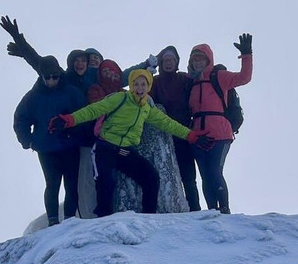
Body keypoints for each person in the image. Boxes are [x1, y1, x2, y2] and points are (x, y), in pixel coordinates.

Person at [50, 69, 213, 217]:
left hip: (125, 151)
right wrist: (69, 120)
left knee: (151, 177)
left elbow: (168, 123)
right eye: (136, 84)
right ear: (131, 85)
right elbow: (94, 110)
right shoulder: (120, 98)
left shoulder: (147, 109)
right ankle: (104, 219)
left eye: (143, 84)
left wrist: (191, 136)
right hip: (105, 147)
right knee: (105, 182)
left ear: (148, 86)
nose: (139, 88)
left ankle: (148, 217)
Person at [13, 56, 86, 227]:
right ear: (42, 77)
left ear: (60, 74)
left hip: (69, 146)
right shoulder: (33, 96)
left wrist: (75, 133)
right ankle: (52, 221)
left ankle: (70, 220)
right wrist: (28, 141)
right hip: (46, 148)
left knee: (71, 183)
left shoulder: (72, 92)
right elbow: (20, 120)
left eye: (55, 76)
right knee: (52, 185)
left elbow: (84, 115)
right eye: (48, 77)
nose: (52, 80)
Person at [186, 34, 253, 214]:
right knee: (205, 176)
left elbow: (244, 77)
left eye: (201, 59)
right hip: (198, 135)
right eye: (194, 59)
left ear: (208, 60)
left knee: (215, 171)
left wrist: (246, 55)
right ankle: (212, 211)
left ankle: (224, 210)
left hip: (220, 133)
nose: (197, 62)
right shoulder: (190, 82)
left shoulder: (219, 76)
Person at [147, 46, 201, 211]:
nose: (168, 63)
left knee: (188, 178)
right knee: (165, 175)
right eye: (165, 60)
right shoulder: (155, 82)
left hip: (184, 135)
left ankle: (195, 209)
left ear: (177, 61)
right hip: (163, 138)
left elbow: (199, 86)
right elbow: (145, 97)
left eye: (171, 60)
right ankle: (167, 208)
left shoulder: (184, 80)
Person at [1, 16, 96, 92]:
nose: (80, 63)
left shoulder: (91, 81)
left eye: (83, 61)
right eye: (76, 61)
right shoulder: (61, 77)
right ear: (71, 64)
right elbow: (36, 60)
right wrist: (17, 38)